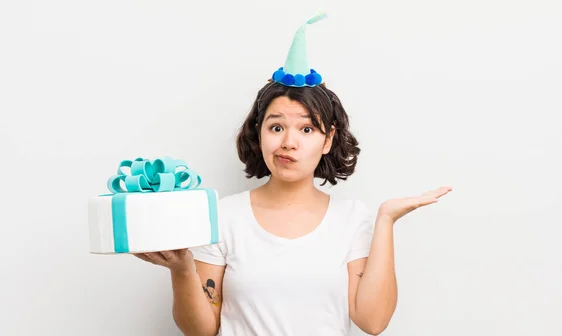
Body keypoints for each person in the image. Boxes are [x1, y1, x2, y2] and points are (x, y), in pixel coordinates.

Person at [134, 12, 451, 336]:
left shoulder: (352, 218)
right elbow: (201, 330)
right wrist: (181, 268)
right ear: (259, 134)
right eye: (276, 127)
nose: (288, 142)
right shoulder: (224, 216)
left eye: (307, 128)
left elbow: (373, 321)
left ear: (327, 139)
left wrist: (385, 219)